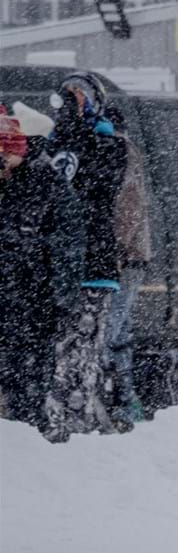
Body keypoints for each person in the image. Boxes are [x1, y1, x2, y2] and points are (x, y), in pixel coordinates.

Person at [43, 72, 128, 438]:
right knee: (55, 347)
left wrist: (84, 129)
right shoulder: (54, 143)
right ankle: (54, 417)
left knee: (84, 349)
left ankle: (79, 421)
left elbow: (97, 185)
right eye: (69, 95)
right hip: (57, 265)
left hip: (93, 265)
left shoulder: (109, 143)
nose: (73, 102)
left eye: (81, 96)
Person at [0, 111, 85, 438]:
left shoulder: (45, 182)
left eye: (5, 156)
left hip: (34, 299)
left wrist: (59, 295)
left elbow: (69, 240)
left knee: (30, 375)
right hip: (14, 296)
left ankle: (29, 437)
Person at [106, 103, 153, 430]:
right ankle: (126, 398)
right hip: (134, 255)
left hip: (126, 258)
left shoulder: (119, 152)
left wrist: (117, 250)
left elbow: (128, 207)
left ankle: (118, 400)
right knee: (120, 333)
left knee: (109, 331)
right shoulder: (128, 151)